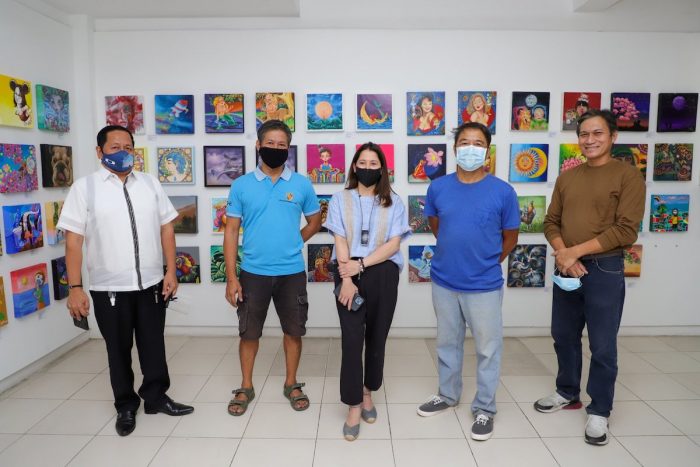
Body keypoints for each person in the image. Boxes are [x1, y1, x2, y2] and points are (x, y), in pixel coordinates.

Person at [58, 125, 193, 437]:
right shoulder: (85, 188)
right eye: (114, 146)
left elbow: (167, 229)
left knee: (153, 344)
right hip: (109, 289)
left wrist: (171, 271)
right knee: (117, 349)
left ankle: (156, 397)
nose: (122, 152)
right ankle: (126, 405)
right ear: (99, 151)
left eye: (128, 147)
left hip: (151, 284)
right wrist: (75, 288)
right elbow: (73, 242)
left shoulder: (149, 183)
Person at [534, 109, 646, 446]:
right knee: (563, 335)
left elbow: (626, 230)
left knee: (602, 344)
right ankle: (567, 391)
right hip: (566, 267)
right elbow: (550, 222)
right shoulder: (568, 177)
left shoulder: (628, 177)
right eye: (584, 134)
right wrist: (563, 254)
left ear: (613, 137)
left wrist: (575, 252)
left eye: (597, 133)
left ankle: (600, 410)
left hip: (604, 268)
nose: (589, 140)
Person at [417, 122, 519, 441]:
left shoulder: (503, 191)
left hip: (484, 284)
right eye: (464, 142)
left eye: (477, 143)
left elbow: (510, 237)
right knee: (447, 343)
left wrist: (485, 262)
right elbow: (438, 226)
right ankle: (447, 395)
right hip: (444, 281)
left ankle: (485, 409)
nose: (470, 148)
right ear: (455, 148)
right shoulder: (438, 188)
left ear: (487, 150)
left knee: (488, 348)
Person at [224, 119, 321, 416]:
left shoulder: (301, 183)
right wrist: (231, 277)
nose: (276, 149)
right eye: (270, 144)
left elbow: (315, 221)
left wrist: (295, 240)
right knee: (249, 333)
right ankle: (246, 386)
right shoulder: (241, 185)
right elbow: (231, 232)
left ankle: (291, 383)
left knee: (294, 331)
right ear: (258, 145)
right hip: (253, 272)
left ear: (288, 149)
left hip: (291, 272)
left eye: (282, 145)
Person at [323, 142, 411, 441]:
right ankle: (353, 405)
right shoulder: (339, 198)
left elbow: (393, 245)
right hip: (347, 273)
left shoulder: (394, 202)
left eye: (375, 164)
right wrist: (347, 278)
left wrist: (361, 266)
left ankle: (368, 391)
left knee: (376, 338)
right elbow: (340, 239)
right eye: (363, 162)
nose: (368, 168)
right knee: (351, 339)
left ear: (382, 169)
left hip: (382, 271)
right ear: (354, 166)